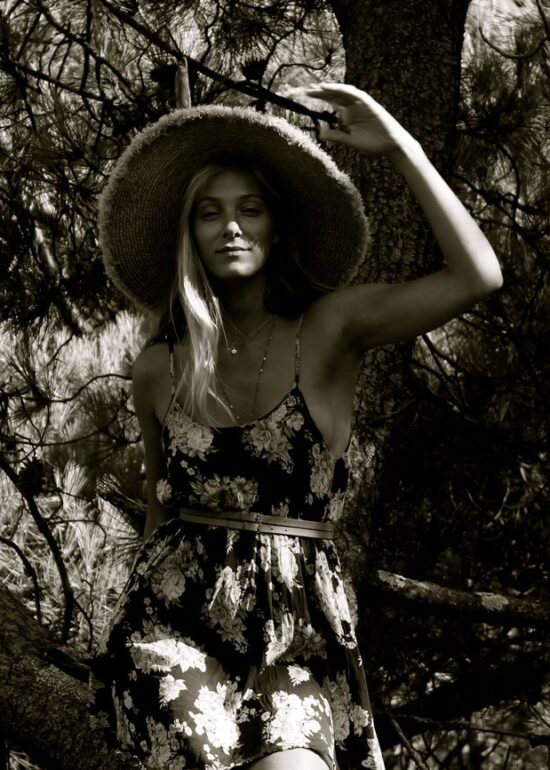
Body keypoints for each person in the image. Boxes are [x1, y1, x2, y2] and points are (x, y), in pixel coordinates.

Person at [90, 83, 503, 770]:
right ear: (189, 235)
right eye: (209, 213)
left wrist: (401, 146)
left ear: (275, 228)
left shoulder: (330, 329)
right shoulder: (159, 368)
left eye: (249, 209)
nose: (230, 227)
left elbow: (477, 276)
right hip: (173, 631)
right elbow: (161, 510)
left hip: (297, 633)